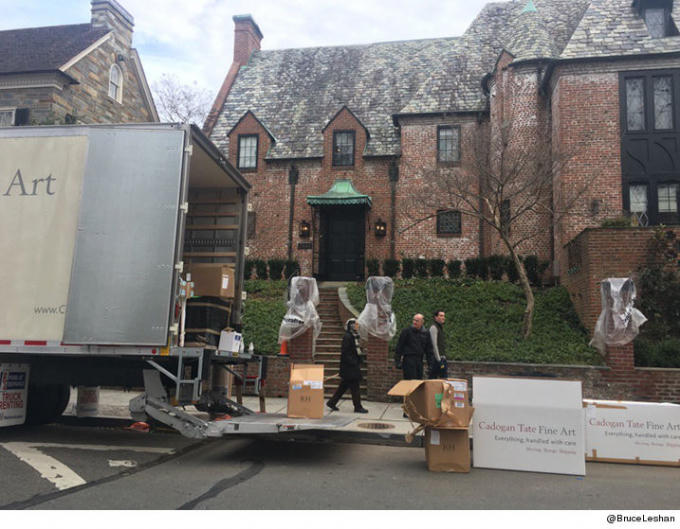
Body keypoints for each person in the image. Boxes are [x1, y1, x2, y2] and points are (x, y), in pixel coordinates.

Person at [327, 318, 368, 413]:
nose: (357, 326)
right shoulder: (348, 337)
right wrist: (354, 362)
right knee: (355, 386)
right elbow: (345, 352)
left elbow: (355, 350)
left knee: (343, 386)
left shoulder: (354, 336)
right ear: (351, 326)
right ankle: (358, 407)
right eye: (355, 324)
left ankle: (332, 402)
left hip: (350, 366)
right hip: (349, 367)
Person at [395, 313, 434, 380]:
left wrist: (430, 364)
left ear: (422, 322)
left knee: (419, 380)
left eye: (417, 321)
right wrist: (397, 361)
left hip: (419, 359)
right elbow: (399, 346)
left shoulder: (425, 333)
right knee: (410, 380)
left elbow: (429, 350)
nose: (414, 322)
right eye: (414, 320)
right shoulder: (406, 331)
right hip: (408, 359)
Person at [428, 310, 448, 379]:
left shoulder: (440, 328)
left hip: (442, 358)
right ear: (436, 317)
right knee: (433, 380)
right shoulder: (434, 328)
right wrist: (439, 360)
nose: (443, 317)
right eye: (441, 316)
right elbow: (434, 345)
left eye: (444, 316)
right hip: (436, 360)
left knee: (444, 379)